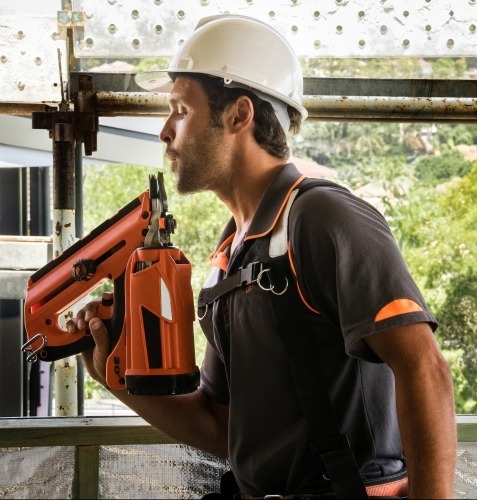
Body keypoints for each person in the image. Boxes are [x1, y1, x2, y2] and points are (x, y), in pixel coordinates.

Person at [68, 15, 456, 499]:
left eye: (181, 110)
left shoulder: (323, 219)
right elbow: (218, 427)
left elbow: (425, 368)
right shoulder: (230, 256)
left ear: (239, 115)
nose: (165, 131)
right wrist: (114, 377)